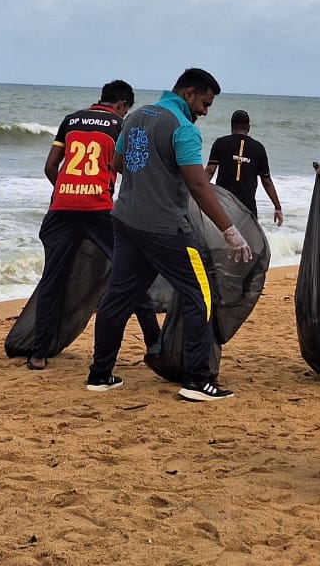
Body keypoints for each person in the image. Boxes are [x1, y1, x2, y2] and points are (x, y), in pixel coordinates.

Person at [86, 67, 253, 402]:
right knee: (201, 296)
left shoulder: (135, 117)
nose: (205, 111)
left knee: (117, 298)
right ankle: (197, 380)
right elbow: (199, 185)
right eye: (204, 103)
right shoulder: (183, 128)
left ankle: (100, 375)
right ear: (189, 93)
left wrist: (151, 177)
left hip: (126, 221)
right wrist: (230, 231)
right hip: (165, 229)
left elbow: (118, 163)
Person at [27, 80, 160, 370]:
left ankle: (38, 354)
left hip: (61, 208)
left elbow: (50, 167)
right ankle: (156, 344)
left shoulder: (71, 120)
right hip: (99, 208)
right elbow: (130, 169)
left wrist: (67, 191)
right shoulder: (120, 125)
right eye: (126, 110)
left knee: (52, 281)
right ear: (122, 105)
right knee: (130, 274)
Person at [205, 110, 283, 226]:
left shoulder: (220, 143)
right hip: (247, 207)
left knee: (223, 236)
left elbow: (210, 171)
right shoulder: (258, 148)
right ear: (249, 128)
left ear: (231, 126)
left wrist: (195, 194)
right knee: (247, 237)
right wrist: (277, 207)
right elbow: (266, 181)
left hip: (224, 205)